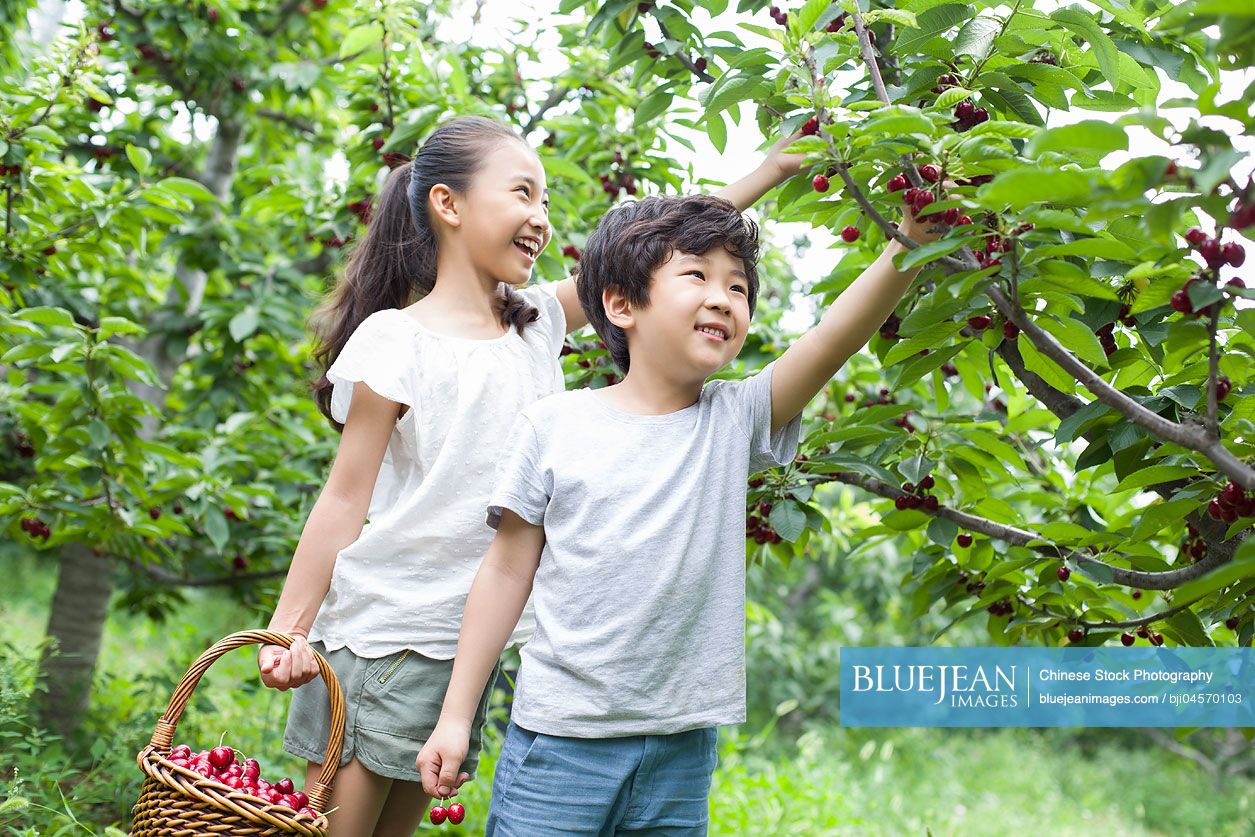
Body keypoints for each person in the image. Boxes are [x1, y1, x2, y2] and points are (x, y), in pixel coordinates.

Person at [255, 113, 805, 836]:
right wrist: (284, 627)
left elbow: (662, 250)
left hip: (467, 651)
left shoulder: (534, 320)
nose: (540, 218)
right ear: (448, 205)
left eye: (544, 202)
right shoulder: (396, 339)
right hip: (389, 635)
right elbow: (343, 497)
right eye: (522, 193)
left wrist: (769, 170)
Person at [416, 187, 943, 834]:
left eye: (739, 287)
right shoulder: (553, 425)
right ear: (619, 302)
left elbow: (832, 338)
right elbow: (502, 574)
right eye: (696, 275)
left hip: (679, 749)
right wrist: (455, 715)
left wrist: (910, 242)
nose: (723, 297)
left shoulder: (731, 418)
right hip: (560, 738)